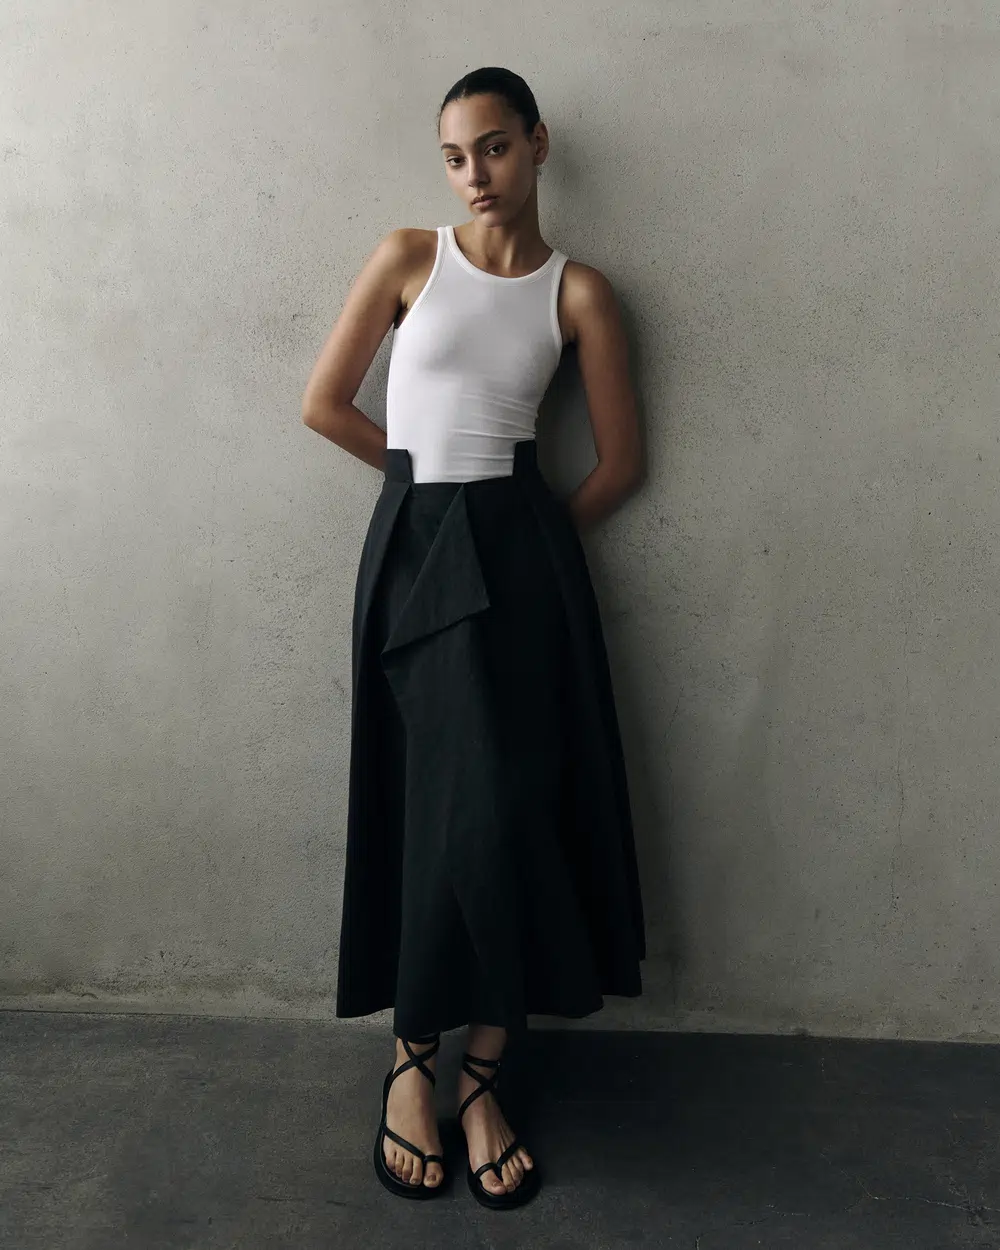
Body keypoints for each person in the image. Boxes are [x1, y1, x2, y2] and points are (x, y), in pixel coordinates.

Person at [301, 66, 646, 1210]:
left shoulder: (579, 291)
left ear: (537, 145)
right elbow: (324, 403)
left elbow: (620, 463)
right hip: (413, 549)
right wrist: (418, 497)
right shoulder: (409, 256)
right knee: (430, 805)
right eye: (454, 157)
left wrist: (522, 542)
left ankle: (481, 1074)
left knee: (513, 808)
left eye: (493, 148)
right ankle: (412, 1061)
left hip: (520, 558)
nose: (474, 175)